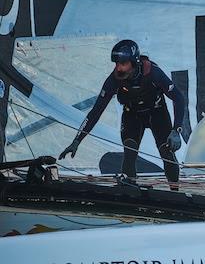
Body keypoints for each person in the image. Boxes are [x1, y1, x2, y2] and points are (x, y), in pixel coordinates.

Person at [58, 39, 186, 186]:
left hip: (157, 113)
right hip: (132, 114)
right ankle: (130, 191)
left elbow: (179, 98)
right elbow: (96, 111)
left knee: (167, 153)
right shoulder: (114, 80)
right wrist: (76, 141)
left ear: (134, 62)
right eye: (116, 63)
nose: (118, 68)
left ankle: (176, 192)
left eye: (123, 63)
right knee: (129, 153)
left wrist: (176, 130)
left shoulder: (153, 73)